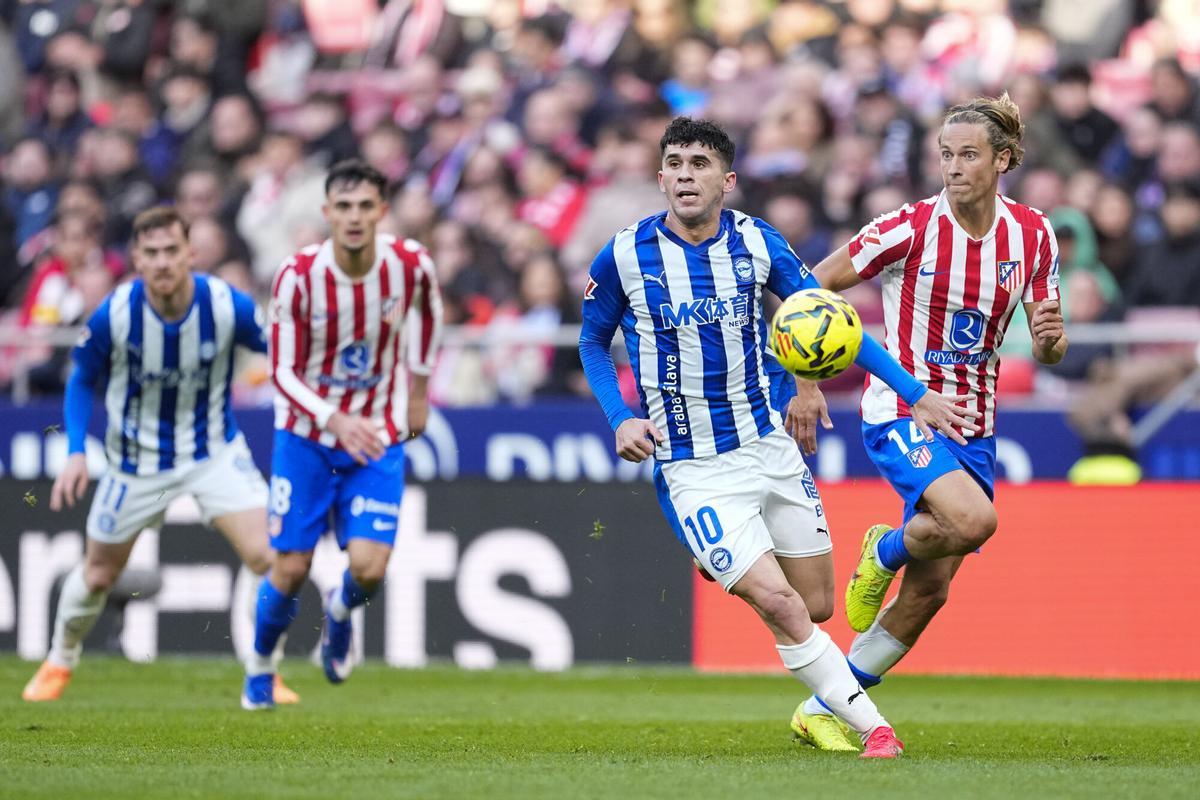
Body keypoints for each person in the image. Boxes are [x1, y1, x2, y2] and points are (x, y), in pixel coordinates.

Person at [577, 117, 981, 758]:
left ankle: (730, 559)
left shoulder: (758, 242)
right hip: (692, 465)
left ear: (727, 180)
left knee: (818, 604)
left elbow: (831, 320)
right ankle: (874, 728)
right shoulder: (625, 253)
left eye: (700, 164)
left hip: (767, 446)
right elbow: (592, 341)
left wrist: (908, 393)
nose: (685, 175)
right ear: (660, 178)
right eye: (675, 164)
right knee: (780, 604)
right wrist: (618, 416)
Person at [788, 94, 1068, 739]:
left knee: (929, 593)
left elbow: (1049, 346)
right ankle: (883, 549)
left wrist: (1052, 338)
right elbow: (809, 288)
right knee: (975, 520)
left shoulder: (1033, 234)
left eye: (968, 155)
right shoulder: (907, 228)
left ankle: (824, 709)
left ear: (1003, 160)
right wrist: (806, 385)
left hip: (976, 422)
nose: (953, 167)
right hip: (902, 408)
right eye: (945, 154)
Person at [22, 206, 298, 705]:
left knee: (270, 555)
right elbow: (82, 377)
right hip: (136, 460)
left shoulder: (225, 304)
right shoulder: (117, 312)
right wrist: (76, 450)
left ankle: (264, 673)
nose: (163, 262)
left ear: (190, 254)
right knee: (99, 573)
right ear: (137, 259)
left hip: (213, 451)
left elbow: (278, 353)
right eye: (151, 253)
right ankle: (60, 659)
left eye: (172, 250)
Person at [242, 160, 443, 710]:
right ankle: (261, 668)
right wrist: (334, 419)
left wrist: (419, 391)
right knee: (290, 566)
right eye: (344, 207)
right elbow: (280, 370)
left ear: (382, 211)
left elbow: (429, 316)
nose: (354, 218)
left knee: (370, 570)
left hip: (375, 434)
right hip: (306, 437)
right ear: (327, 212)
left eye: (365, 207)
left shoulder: (410, 264)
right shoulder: (298, 274)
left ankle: (339, 611)